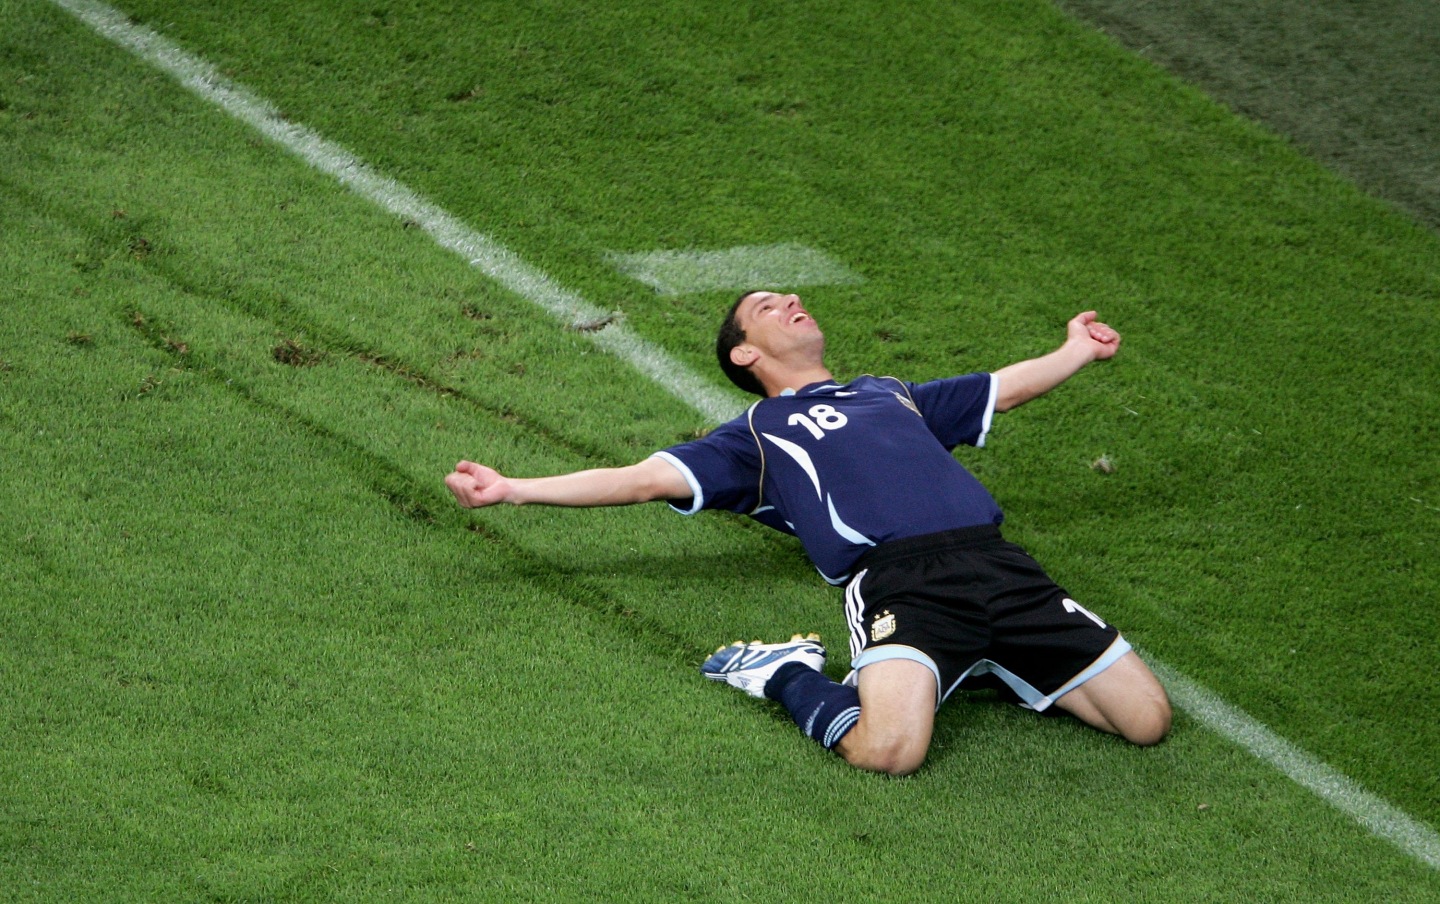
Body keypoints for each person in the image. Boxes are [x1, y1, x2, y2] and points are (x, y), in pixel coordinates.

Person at [445, 290, 1172, 775]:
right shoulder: (755, 434)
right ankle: (781, 672)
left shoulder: (891, 393)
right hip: (900, 584)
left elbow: (1000, 389)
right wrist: (514, 490)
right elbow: (638, 478)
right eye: (768, 306)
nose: (792, 301)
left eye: (791, 296)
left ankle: (980, 662)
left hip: (1003, 569)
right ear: (744, 354)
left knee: (1146, 721)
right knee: (888, 750)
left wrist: (1077, 349)